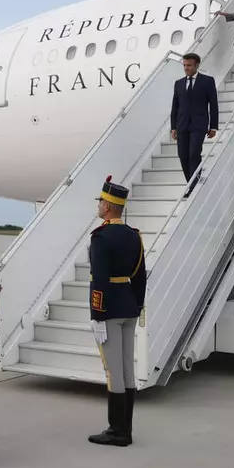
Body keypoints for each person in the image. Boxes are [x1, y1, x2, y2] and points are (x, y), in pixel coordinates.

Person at [88, 176, 146, 447]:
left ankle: (117, 431)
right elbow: (141, 277)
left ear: (109, 207)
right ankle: (127, 428)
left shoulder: (101, 237)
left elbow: (99, 279)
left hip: (109, 309)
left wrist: (97, 314)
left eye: (101, 201)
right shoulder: (134, 236)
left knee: (113, 371)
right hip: (129, 306)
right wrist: (137, 304)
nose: (99, 205)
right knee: (126, 371)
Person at [169, 52, 219, 197]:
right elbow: (175, 107)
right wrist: (173, 127)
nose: (186, 68)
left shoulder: (207, 81)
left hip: (199, 125)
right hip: (182, 125)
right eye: (184, 65)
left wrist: (213, 126)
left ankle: (194, 187)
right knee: (182, 156)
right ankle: (191, 184)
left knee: (194, 153)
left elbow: (213, 104)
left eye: (189, 65)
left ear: (197, 65)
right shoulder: (178, 83)